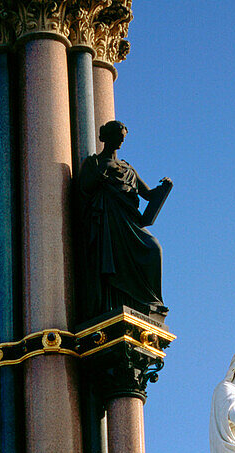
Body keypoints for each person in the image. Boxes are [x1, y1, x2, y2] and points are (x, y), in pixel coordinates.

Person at [77, 121, 171, 319]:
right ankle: (113, 304)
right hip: (108, 222)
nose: (121, 140)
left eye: (123, 137)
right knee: (111, 262)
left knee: (154, 249)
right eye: (118, 135)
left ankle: (149, 301)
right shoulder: (94, 164)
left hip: (129, 221)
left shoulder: (128, 168)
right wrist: (101, 178)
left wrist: (164, 189)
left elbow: (148, 194)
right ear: (105, 137)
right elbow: (84, 188)